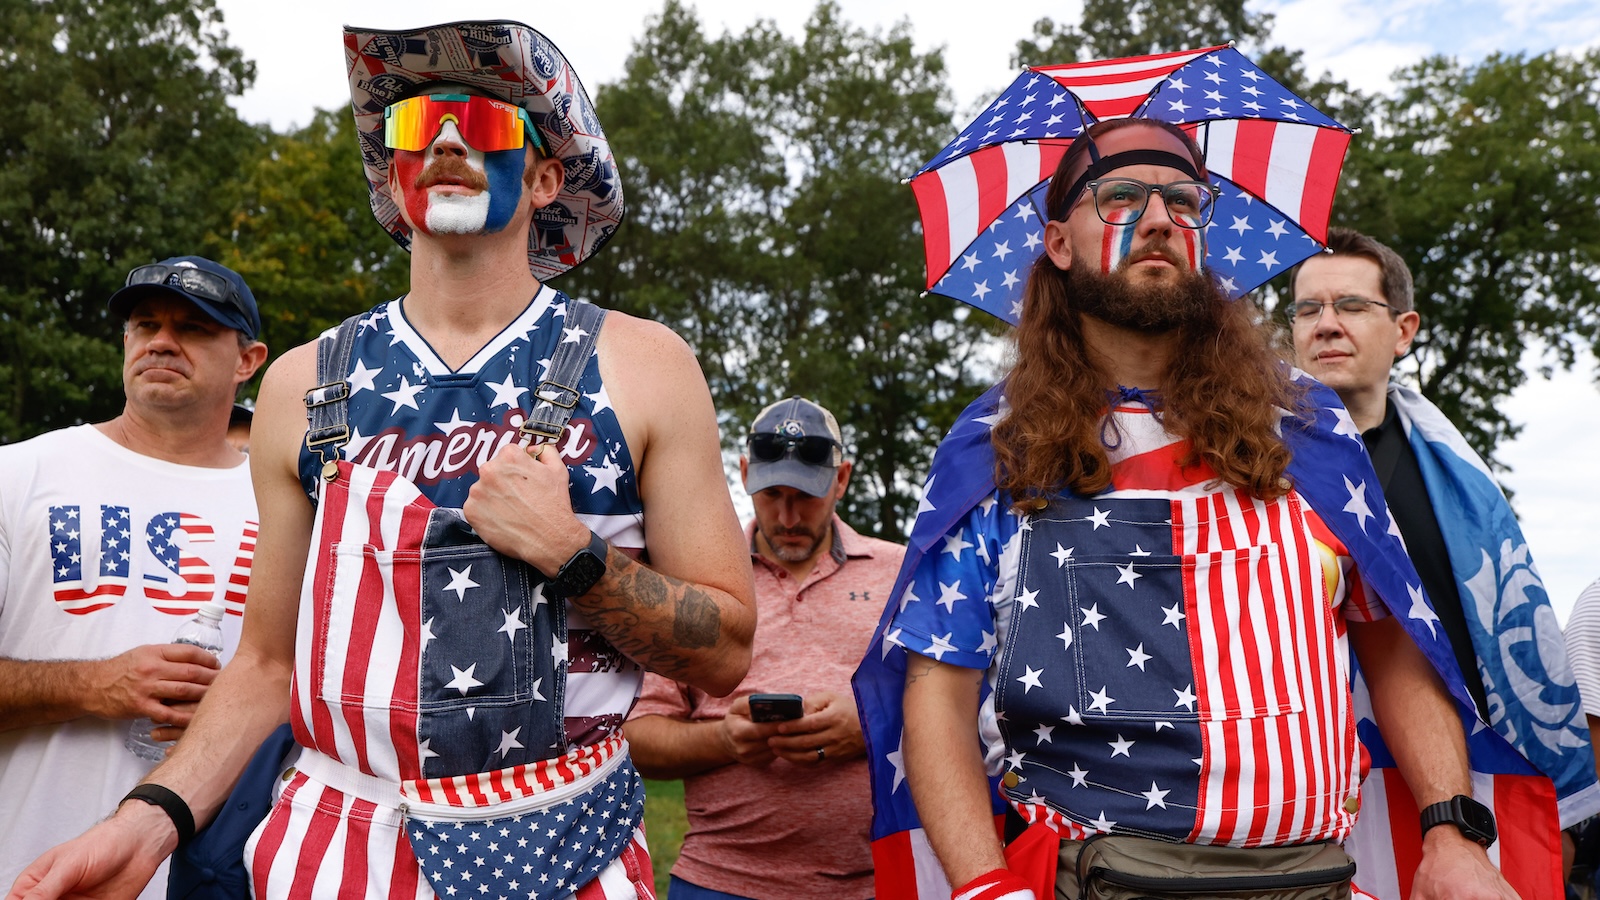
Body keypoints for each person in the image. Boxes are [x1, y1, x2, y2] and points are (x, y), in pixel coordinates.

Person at [7, 19, 754, 900]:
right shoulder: (302, 383)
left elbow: (726, 651)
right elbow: (265, 666)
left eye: (479, 123)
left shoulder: (643, 366)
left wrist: (572, 554)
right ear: (394, 186)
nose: (440, 139)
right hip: (330, 855)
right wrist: (143, 827)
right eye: (412, 127)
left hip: (564, 852)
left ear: (547, 176)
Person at [851, 119, 1521, 900]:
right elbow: (938, 681)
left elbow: (1391, 640)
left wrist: (1451, 831)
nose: (1161, 219)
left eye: (1184, 201)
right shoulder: (995, 447)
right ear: (1058, 244)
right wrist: (981, 886)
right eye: (1121, 197)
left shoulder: (1307, 430)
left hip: (1317, 879)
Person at [1292, 229, 1600, 883]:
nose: (1325, 325)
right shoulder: (1252, 472)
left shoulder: (1460, 484)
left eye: (1349, 305)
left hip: (1468, 790)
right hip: (1314, 797)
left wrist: (1561, 820)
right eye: (1306, 309)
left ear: (1404, 330)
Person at [0, 256, 267, 898]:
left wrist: (236, 713)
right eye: (145, 324)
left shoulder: (291, 511)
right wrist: (95, 685)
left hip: (220, 877)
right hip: (31, 870)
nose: (162, 341)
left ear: (247, 361)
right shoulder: (19, 476)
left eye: (196, 328)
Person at [625, 397, 904, 900]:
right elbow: (636, 739)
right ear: (745, 472)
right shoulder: (693, 583)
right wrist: (724, 741)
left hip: (878, 881)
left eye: (807, 495)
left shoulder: (902, 575)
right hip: (720, 881)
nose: (787, 515)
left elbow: (962, 709)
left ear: (841, 479)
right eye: (771, 493)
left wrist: (871, 726)